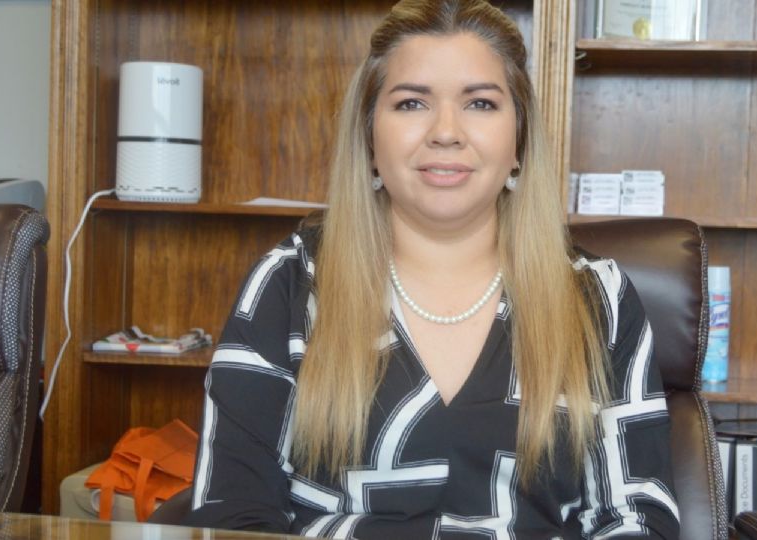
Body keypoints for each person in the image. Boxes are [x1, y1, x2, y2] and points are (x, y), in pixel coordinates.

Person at [183, 0, 680, 538]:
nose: (446, 131)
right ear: (370, 137)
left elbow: (636, 516)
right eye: (412, 102)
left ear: (519, 140)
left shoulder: (597, 297)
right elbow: (232, 514)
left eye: (481, 103)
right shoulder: (288, 284)